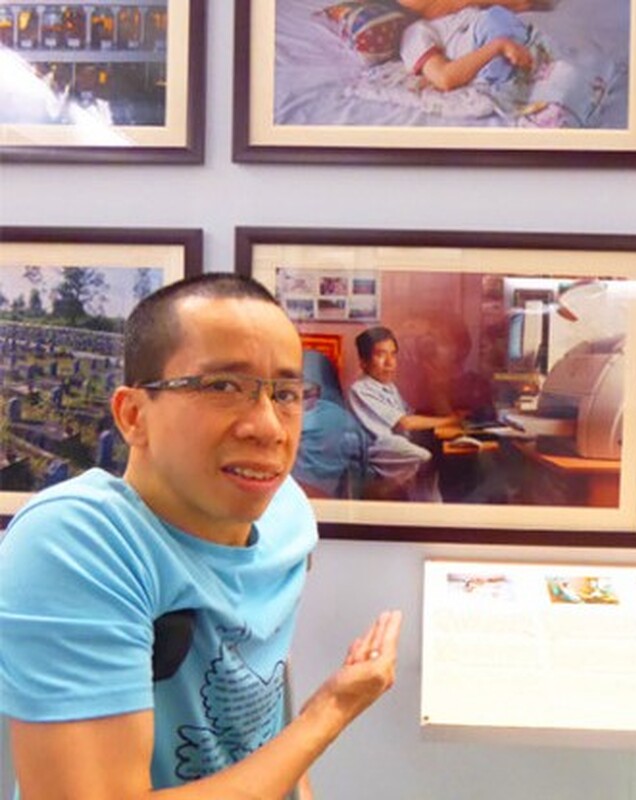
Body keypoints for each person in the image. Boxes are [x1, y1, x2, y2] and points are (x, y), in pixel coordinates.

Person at [0, 273, 402, 799]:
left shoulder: (287, 515)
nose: (269, 428)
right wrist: (330, 711)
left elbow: (261, 691)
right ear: (132, 415)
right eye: (222, 387)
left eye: (285, 393)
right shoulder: (77, 545)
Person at [348, 325, 464, 501]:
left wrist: (440, 404)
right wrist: (450, 420)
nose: (389, 363)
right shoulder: (360, 389)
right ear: (363, 361)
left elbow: (410, 414)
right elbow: (405, 422)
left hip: (398, 443)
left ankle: (431, 506)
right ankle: (424, 504)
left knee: (441, 455)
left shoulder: (388, 386)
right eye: (381, 355)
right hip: (380, 449)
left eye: (393, 354)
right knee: (424, 458)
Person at [398, 4, 536, 92]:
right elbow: (445, 78)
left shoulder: (460, 11)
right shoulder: (414, 34)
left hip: (510, 32)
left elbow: (525, 4)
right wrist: (498, 45)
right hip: (492, 48)